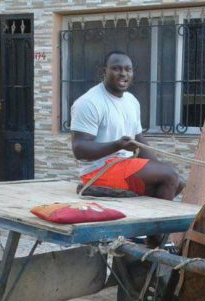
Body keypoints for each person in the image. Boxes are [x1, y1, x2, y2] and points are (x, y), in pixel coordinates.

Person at [70, 51, 183, 201]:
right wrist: (117, 145)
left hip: (124, 166)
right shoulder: (89, 102)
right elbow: (80, 149)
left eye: (128, 69)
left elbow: (138, 139)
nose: (123, 73)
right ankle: (157, 222)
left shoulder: (131, 100)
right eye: (116, 68)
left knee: (178, 182)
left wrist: (157, 166)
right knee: (169, 176)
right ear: (104, 71)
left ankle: (146, 219)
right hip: (98, 170)